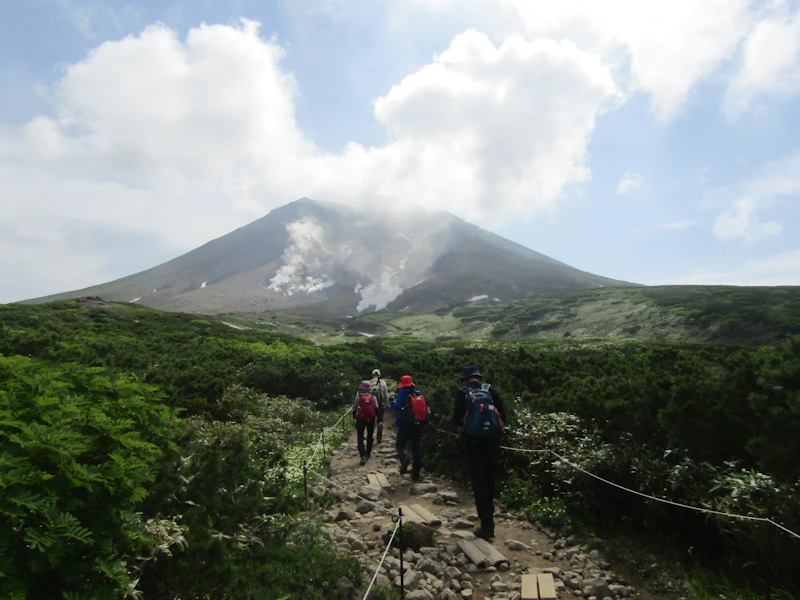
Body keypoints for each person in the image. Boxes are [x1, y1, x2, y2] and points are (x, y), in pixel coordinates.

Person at [452, 365, 507, 540]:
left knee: (479, 482)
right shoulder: (490, 389)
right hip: (492, 441)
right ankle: (490, 518)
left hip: (473, 443)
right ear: (478, 377)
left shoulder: (462, 393)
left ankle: (486, 526)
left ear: (465, 379)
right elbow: (503, 415)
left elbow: (456, 419)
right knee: (490, 479)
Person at [391, 375, 426, 481]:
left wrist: (392, 402)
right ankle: (416, 474)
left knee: (400, 445)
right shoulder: (417, 393)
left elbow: (397, 407)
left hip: (404, 424)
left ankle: (404, 459)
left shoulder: (402, 393)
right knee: (416, 449)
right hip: (417, 424)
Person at [353, 380, 378, 466]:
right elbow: (376, 408)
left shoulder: (358, 397)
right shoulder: (373, 397)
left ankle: (362, 455)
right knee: (370, 436)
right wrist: (380, 420)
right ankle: (368, 453)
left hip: (360, 419)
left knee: (360, 437)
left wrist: (354, 417)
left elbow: (354, 408)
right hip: (371, 419)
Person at [370, 368, 389, 444]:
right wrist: (387, 403)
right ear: (379, 375)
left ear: (372, 375)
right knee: (380, 420)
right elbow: (386, 394)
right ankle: (379, 438)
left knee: (372, 421)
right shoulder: (383, 383)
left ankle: (370, 436)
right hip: (381, 405)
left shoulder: (369, 382)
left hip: (372, 405)